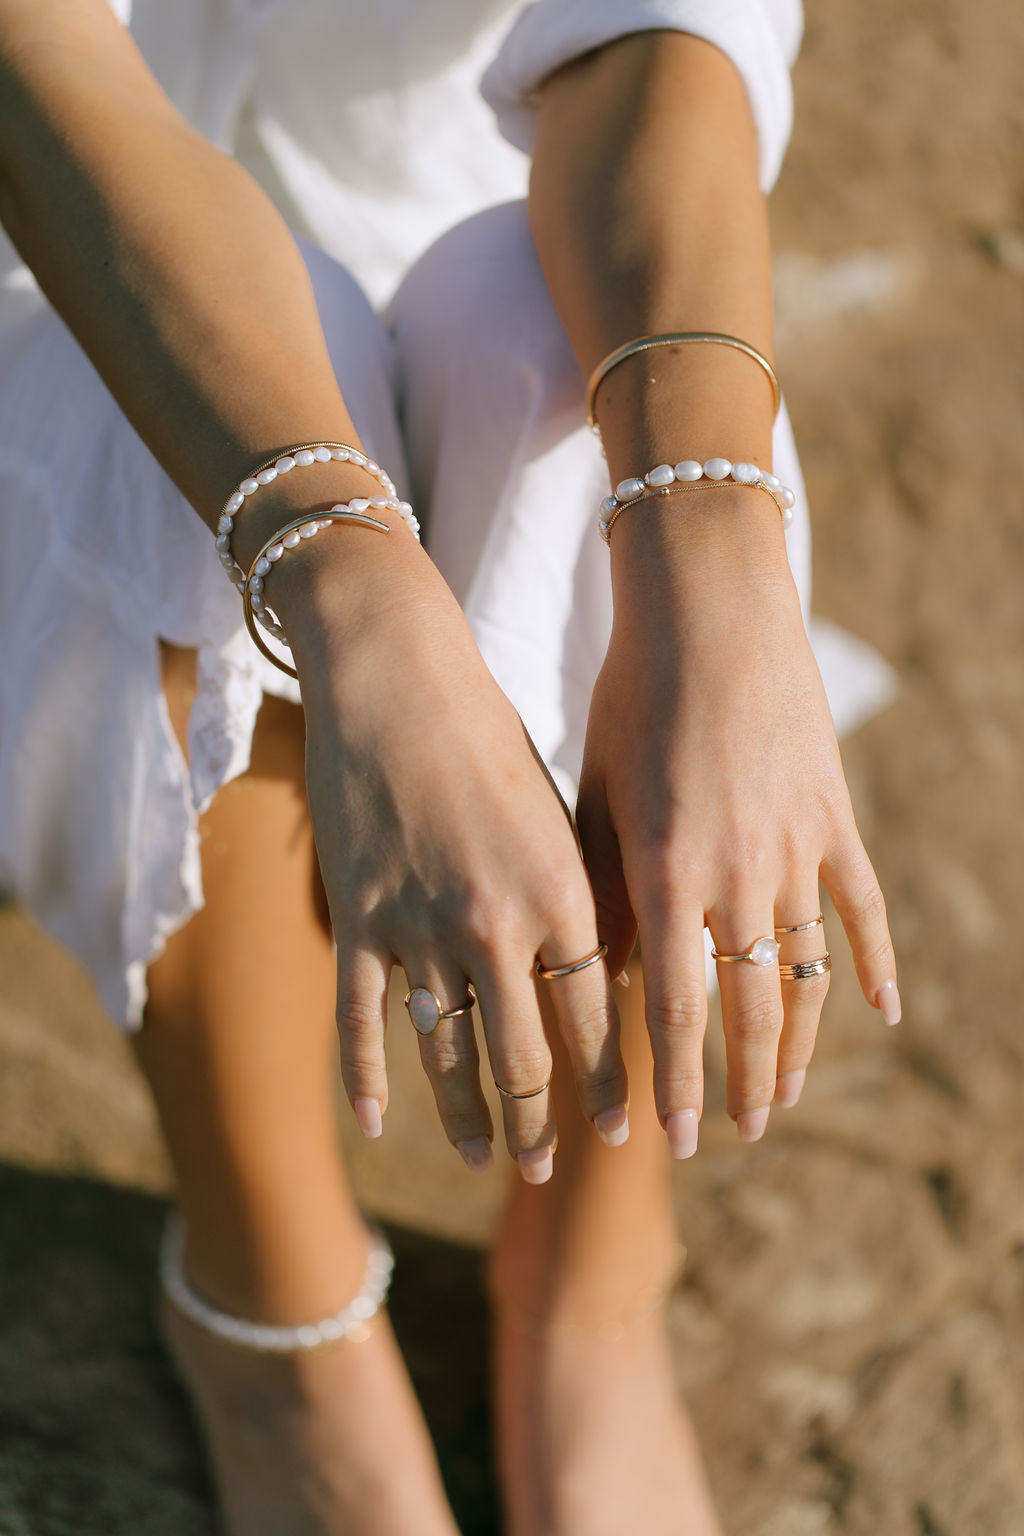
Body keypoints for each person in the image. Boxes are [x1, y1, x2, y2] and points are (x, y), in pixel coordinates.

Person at [0, 1, 901, 1531]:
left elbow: (657, 35)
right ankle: (269, 1300)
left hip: (444, 197)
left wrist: (717, 557)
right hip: (41, 259)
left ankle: (592, 1278)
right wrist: (359, 602)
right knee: (156, 432)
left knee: (564, 346)